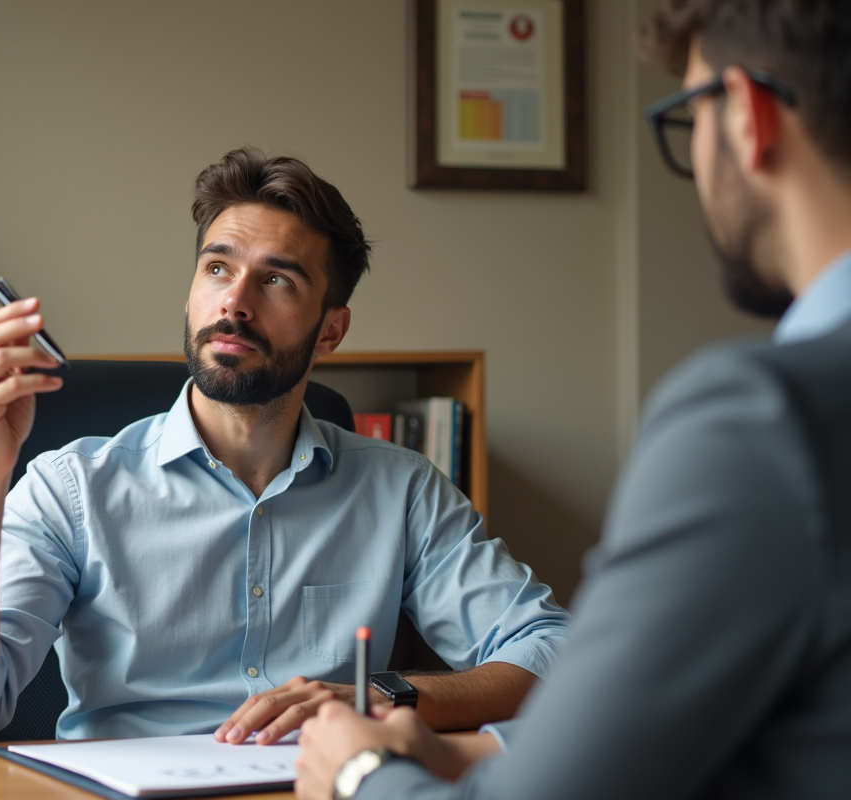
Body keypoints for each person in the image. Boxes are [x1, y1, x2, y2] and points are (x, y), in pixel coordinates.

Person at [294, 1, 851, 798]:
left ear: (749, 116)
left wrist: (356, 773)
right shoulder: (75, 481)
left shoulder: (761, 422)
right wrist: (481, 755)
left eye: (688, 114)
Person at [0, 147, 571, 743]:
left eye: (277, 280)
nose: (235, 302)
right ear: (191, 295)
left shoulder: (402, 490)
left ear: (331, 331)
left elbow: (556, 652)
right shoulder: (72, 489)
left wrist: (378, 696)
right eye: (217, 269)